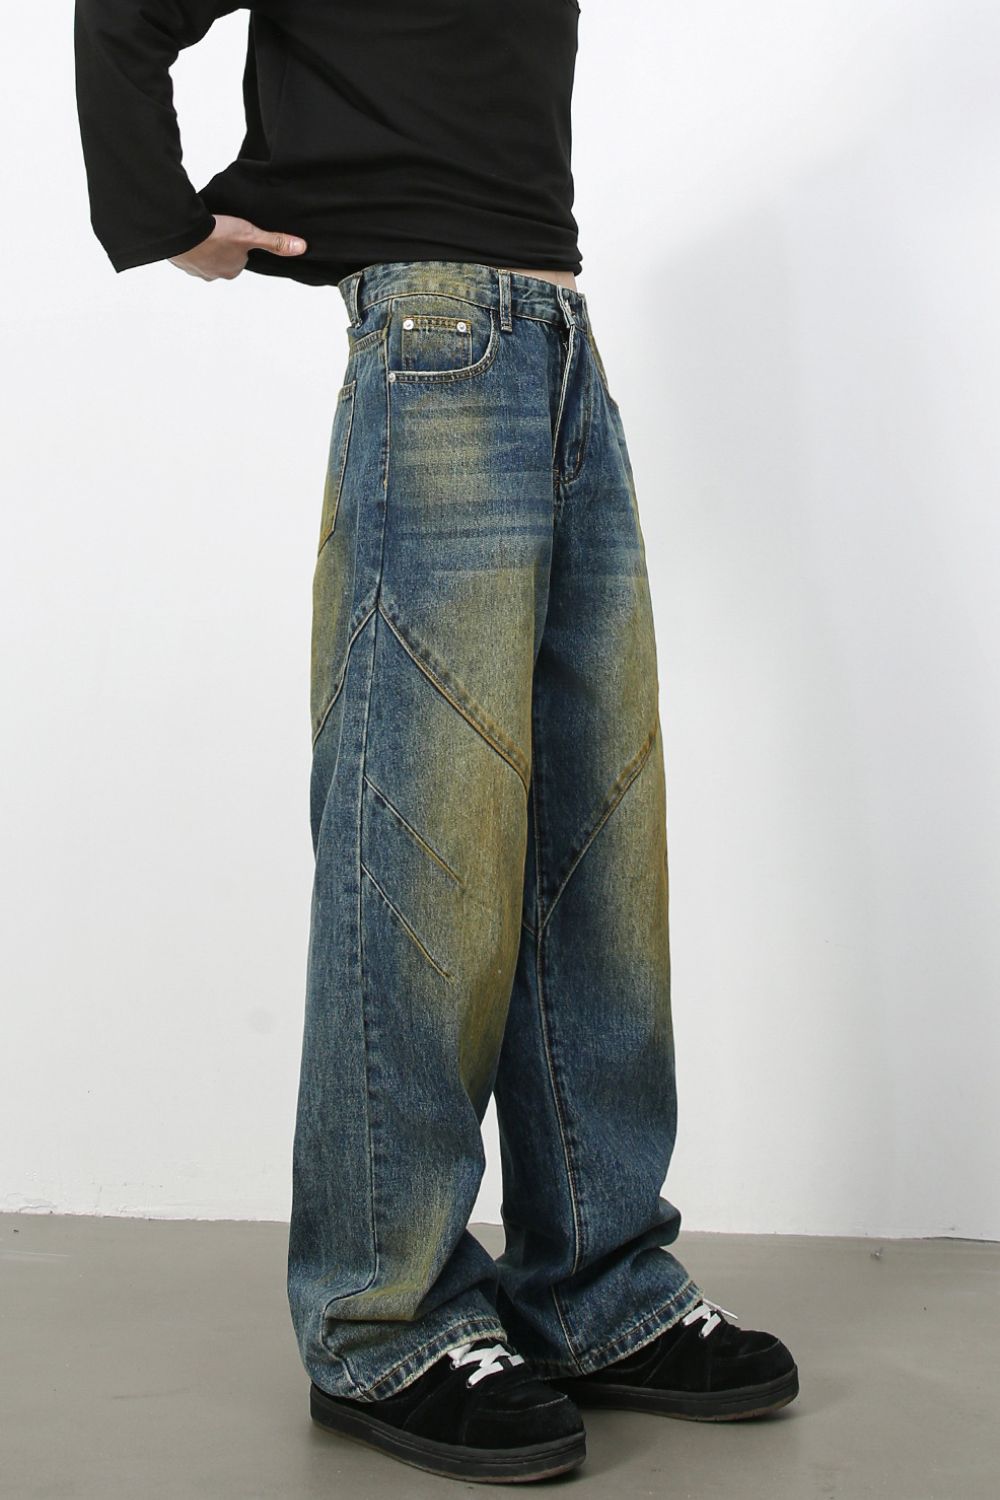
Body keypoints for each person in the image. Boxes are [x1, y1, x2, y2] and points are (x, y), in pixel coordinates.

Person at [73, 1, 799, 1484]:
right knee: (423, 852)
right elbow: (123, 14)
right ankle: (382, 1315)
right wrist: (162, 219)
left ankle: (596, 1286)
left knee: (593, 850)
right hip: (436, 341)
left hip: (556, 338)